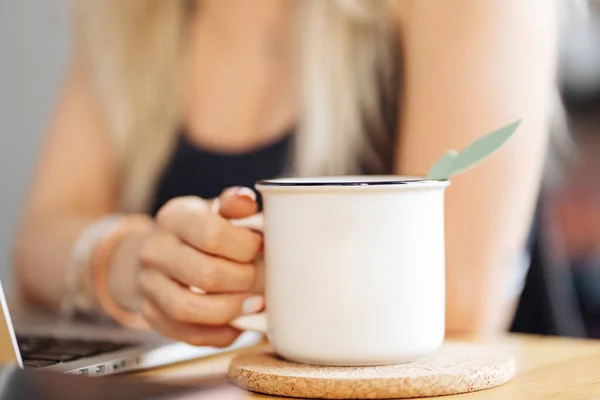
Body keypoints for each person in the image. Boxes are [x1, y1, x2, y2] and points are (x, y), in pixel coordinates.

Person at [13, 0, 559, 348]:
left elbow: (457, 298)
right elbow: (38, 238)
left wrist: (216, 276)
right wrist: (136, 261)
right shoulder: (134, 16)